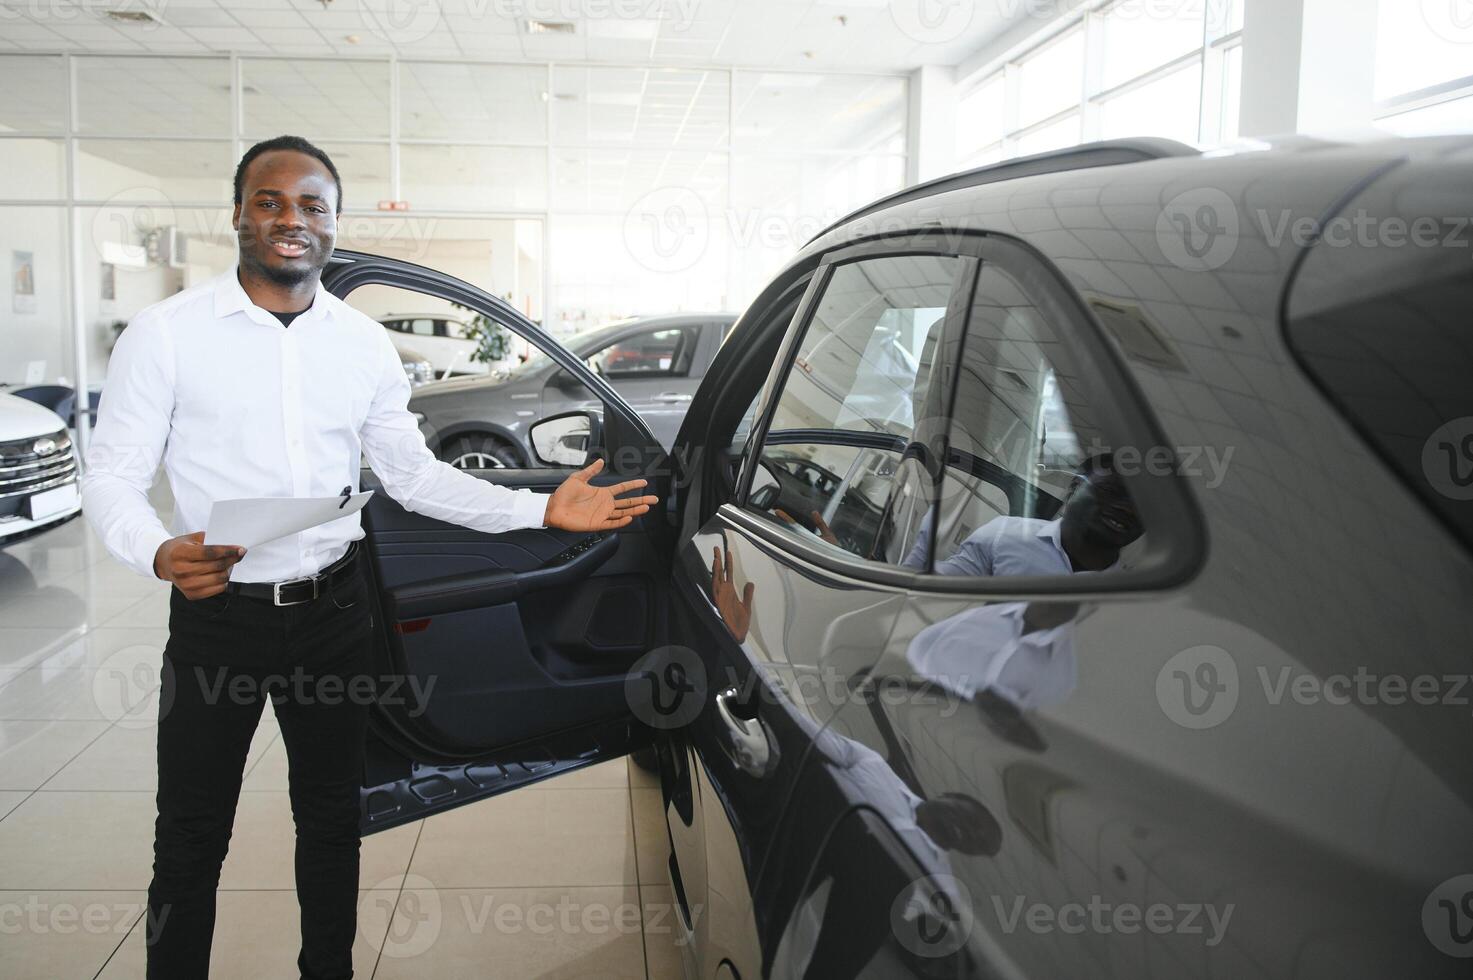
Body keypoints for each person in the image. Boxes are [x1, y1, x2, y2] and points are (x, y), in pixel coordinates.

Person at [80, 135, 657, 980]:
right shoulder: (166, 335)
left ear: (334, 224)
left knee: (329, 818)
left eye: (311, 205)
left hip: (332, 614)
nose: (291, 219)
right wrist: (159, 551)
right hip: (218, 616)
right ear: (238, 214)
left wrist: (541, 506)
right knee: (192, 831)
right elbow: (113, 479)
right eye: (270, 201)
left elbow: (414, 479)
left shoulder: (360, 344)